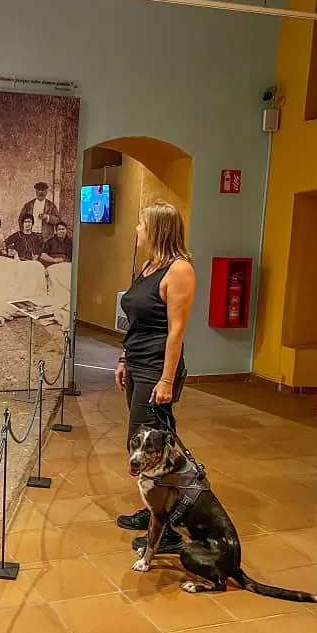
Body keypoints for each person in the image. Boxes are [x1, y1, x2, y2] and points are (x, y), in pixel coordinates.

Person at [114, 200, 196, 552]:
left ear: (157, 230)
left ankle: (170, 529)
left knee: (152, 447)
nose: (136, 230)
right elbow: (135, 321)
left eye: (141, 224)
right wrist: (123, 357)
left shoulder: (179, 270)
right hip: (137, 364)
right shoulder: (149, 266)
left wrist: (165, 380)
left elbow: (175, 332)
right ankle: (153, 510)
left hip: (156, 369)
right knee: (142, 445)